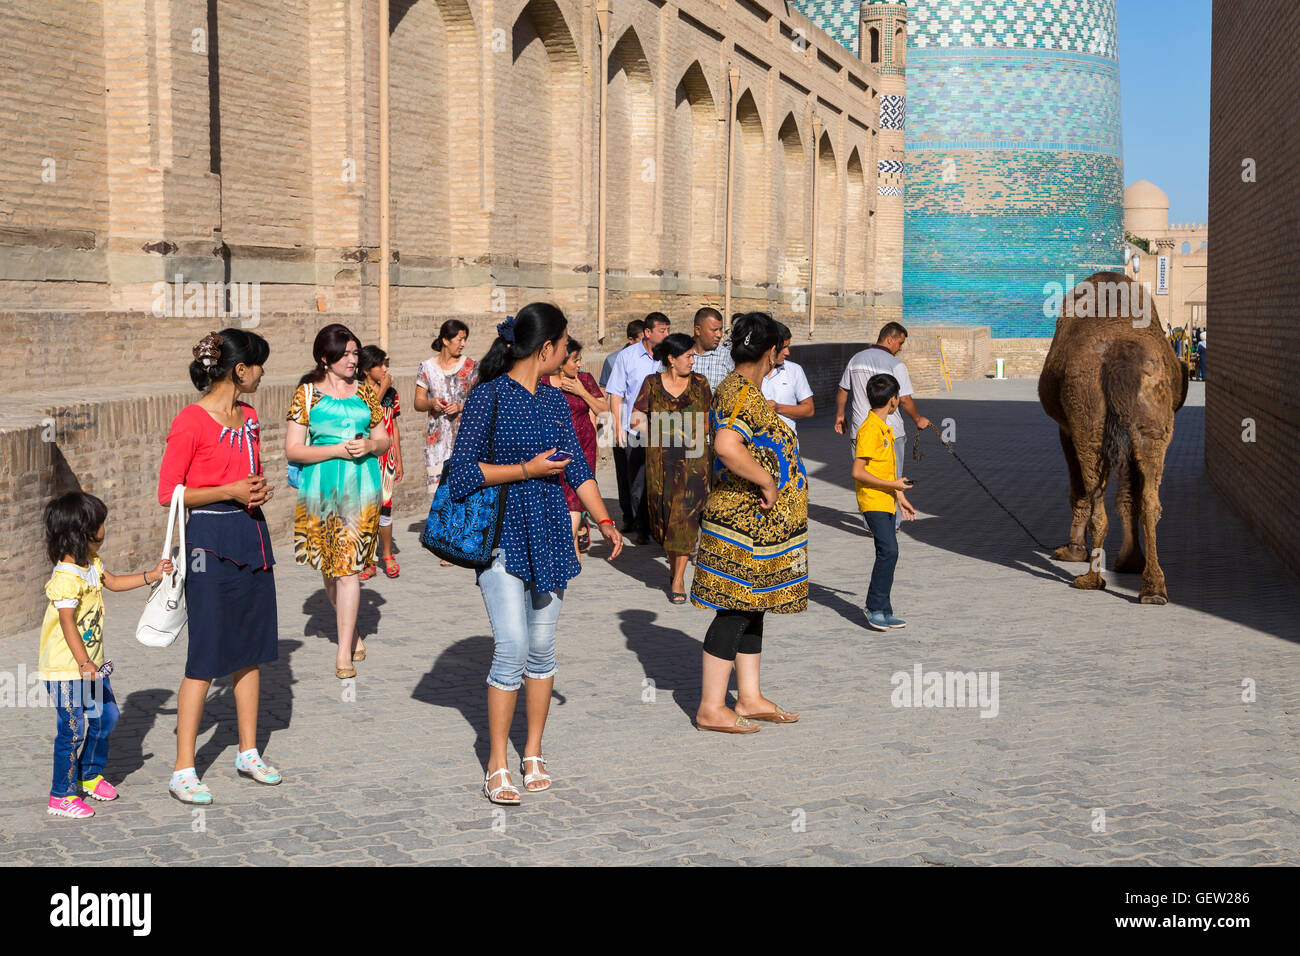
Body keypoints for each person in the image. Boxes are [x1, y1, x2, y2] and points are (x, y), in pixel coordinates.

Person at [447, 303, 623, 805]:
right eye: (565, 343)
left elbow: (578, 472)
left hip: (550, 535)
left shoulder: (552, 401)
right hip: (501, 538)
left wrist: (604, 520)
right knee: (511, 647)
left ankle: (533, 752)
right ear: (545, 348)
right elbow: (462, 474)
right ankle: (497, 762)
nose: (569, 352)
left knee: (542, 651)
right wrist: (525, 469)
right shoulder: (488, 397)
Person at [159, 328, 282, 804]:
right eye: (258, 365)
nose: (262, 373)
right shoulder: (189, 421)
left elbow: (247, 475)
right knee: (206, 655)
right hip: (206, 542)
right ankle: (183, 768)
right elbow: (169, 493)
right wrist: (228, 492)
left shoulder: (249, 417)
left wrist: (252, 491)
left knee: (250, 649)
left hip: (252, 535)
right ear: (239, 370)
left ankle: (248, 751)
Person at [690, 312, 807, 734]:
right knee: (734, 609)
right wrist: (767, 482)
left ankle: (750, 696)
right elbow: (726, 444)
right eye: (782, 348)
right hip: (741, 523)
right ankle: (710, 707)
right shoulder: (740, 392)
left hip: (756, 527)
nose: (785, 355)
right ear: (770, 351)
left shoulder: (745, 389)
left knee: (752, 605)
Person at [39, 492, 172, 818]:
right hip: (67, 669)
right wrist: (83, 663)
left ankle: (89, 773)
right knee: (72, 730)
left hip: (92, 667)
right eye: (100, 525)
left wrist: (150, 576)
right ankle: (61, 795)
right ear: (82, 533)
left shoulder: (91, 565)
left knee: (107, 717)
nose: (104, 530)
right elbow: (67, 621)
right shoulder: (65, 579)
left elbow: (111, 582)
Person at [285, 324, 390, 680]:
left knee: (349, 569)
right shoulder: (307, 395)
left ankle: (343, 651)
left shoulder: (366, 392)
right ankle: (353, 631)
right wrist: (337, 449)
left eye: (355, 353)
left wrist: (370, 447)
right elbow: (293, 448)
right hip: (320, 487)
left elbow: (383, 440)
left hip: (361, 488)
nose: (352, 359)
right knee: (330, 569)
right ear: (324, 358)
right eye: (345, 353)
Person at [630, 332, 712, 603]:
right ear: (671, 359)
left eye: (693, 355)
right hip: (660, 462)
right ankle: (674, 558)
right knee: (665, 521)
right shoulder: (652, 383)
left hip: (693, 461)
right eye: (688, 356)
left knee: (685, 519)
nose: (693, 360)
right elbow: (636, 418)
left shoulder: (700, 383)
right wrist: (655, 428)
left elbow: (707, 422)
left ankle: (678, 579)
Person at [834, 322, 930, 530]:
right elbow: (904, 399)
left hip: (860, 429)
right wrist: (918, 419)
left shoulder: (856, 359)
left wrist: (840, 416)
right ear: (889, 339)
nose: (901, 348)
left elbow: (843, 390)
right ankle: (890, 524)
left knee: (866, 478)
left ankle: (872, 524)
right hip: (890, 431)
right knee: (892, 479)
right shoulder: (895, 365)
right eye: (900, 343)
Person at [852, 373, 917, 632]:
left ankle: (885, 609)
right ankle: (873, 607)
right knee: (889, 551)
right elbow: (858, 471)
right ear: (893, 399)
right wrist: (894, 486)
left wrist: (900, 497)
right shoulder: (869, 430)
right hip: (873, 501)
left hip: (887, 500)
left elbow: (887, 472)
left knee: (889, 552)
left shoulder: (884, 429)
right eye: (898, 397)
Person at [607, 312, 671, 543]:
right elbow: (616, 393)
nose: (666, 335)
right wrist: (617, 427)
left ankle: (660, 526)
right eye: (662, 330)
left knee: (663, 480)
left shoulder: (669, 356)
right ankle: (642, 527)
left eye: (667, 330)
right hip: (635, 430)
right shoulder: (627, 357)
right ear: (647, 332)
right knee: (638, 481)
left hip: (664, 429)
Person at [543, 337, 608, 558]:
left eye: (580, 360)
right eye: (575, 360)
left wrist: (582, 392)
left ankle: (569, 548)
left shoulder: (585, 380)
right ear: (560, 361)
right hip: (553, 448)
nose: (579, 365)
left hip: (583, 445)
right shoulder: (542, 382)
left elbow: (604, 410)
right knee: (558, 495)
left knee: (576, 496)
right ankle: (569, 539)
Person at [415, 319, 478, 491]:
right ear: (445, 340)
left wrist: (460, 407)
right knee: (440, 497)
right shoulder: (426, 367)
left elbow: (481, 402)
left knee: (464, 493)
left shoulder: (472, 366)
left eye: (465, 339)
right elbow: (418, 402)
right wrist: (431, 402)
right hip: (437, 443)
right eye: (459, 339)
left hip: (466, 440)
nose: (463, 344)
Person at [358, 345, 403, 581]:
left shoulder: (391, 393)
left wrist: (399, 458)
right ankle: (368, 560)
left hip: (387, 460)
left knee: (385, 507)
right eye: (380, 365)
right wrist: (382, 387)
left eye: (386, 364)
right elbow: (366, 417)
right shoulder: (356, 392)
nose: (385, 369)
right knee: (367, 509)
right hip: (366, 458)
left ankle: (387, 555)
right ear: (366, 369)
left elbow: (393, 427)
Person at [761, 321, 815, 435]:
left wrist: (777, 408)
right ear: (771, 348)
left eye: (788, 347)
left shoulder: (795, 370)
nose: (787, 352)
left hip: (786, 447)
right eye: (783, 347)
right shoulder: (751, 373)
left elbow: (809, 409)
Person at [691, 306, 734, 391]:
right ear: (698, 330)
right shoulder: (680, 353)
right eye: (714, 330)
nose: (719, 335)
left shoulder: (726, 357)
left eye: (720, 329)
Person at [599, 318, 645, 390]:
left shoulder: (655, 358)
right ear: (631, 340)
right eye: (643, 340)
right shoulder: (612, 360)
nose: (647, 343)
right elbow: (603, 389)